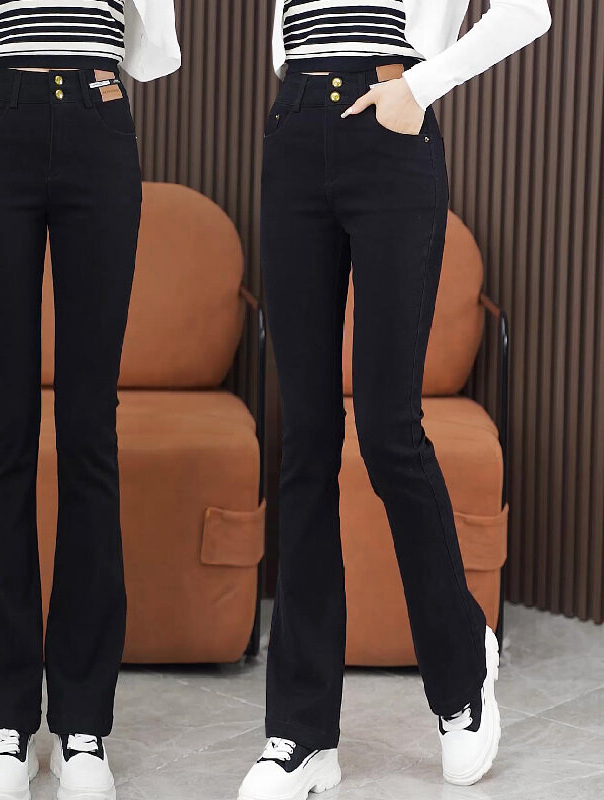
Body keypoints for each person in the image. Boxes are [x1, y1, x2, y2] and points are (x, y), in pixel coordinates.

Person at [238, 1, 551, 798]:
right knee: (306, 438)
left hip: (393, 124)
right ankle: (303, 734)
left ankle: (461, 676)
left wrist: (422, 85)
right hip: (295, 124)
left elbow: (529, 13)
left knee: (387, 431)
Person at [0, 2, 180, 799]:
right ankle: (5, 721)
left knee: (89, 430)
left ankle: (82, 724)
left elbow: (148, 42)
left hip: (98, 119)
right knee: (4, 429)